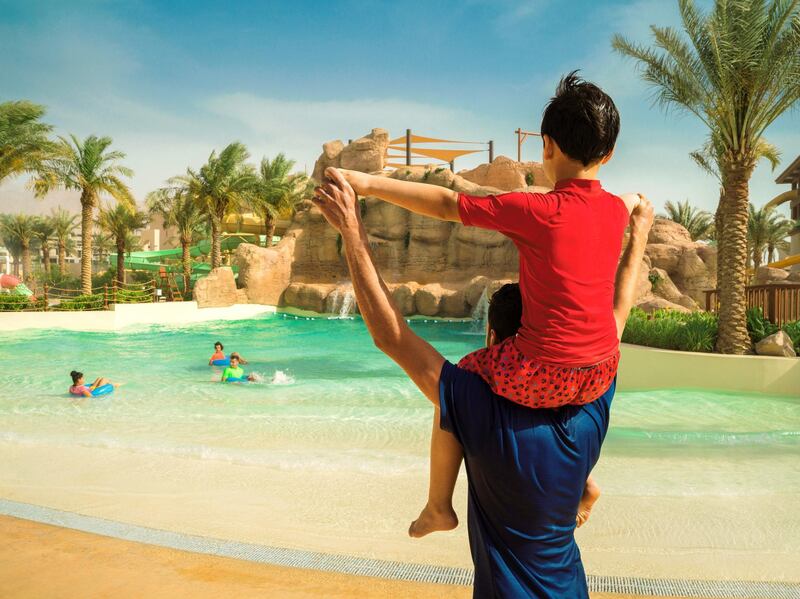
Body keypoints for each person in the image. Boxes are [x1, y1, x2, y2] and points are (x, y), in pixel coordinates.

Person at [313, 167, 653, 597]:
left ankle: (439, 506)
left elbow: (390, 335)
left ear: (493, 336)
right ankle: (581, 487)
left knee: (446, 401)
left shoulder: (477, 403)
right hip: (573, 589)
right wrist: (637, 235)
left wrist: (352, 229)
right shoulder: (595, 399)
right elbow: (617, 311)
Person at [333, 71, 639, 536]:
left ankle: (439, 505)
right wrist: (639, 206)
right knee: (568, 416)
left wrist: (366, 183)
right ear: (610, 154)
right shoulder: (616, 209)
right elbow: (628, 208)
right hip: (600, 372)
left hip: (543, 373)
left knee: (458, 384)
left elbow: (445, 202)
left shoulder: (537, 209)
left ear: (547, 146)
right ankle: (585, 482)